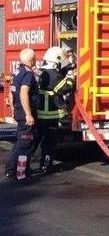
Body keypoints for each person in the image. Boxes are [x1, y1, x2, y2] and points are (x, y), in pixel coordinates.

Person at [31, 47, 75, 172]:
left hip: (40, 114)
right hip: (50, 115)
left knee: (36, 139)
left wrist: (68, 66)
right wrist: (71, 76)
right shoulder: (54, 76)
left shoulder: (42, 72)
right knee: (49, 143)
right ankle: (46, 166)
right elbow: (65, 87)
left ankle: (24, 166)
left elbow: (57, 74)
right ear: (56, 61)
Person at [4, 49, 40, 179]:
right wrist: (28, 114)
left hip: (19, 111)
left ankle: (18, 169)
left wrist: (14, 109)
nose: (36, 61)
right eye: (35, 59)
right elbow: (23, 93)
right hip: (25, 113)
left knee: (21, 142)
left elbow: (11, 92)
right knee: (24, 143)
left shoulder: (17, 71)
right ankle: (16, 171)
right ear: (31, 61)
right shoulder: (28, 74)